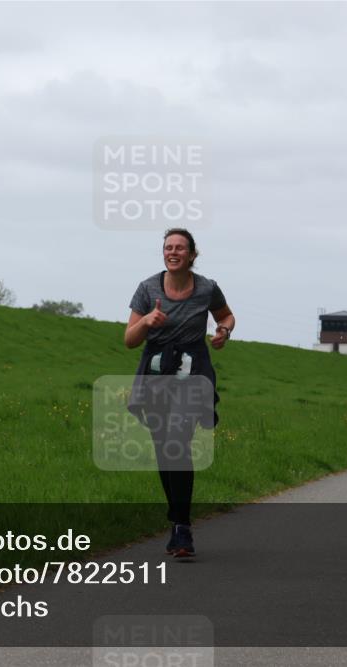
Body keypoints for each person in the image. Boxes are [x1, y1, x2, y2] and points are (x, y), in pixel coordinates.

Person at [125, 228, 234, 559]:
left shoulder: (206, 289)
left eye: (179, 248)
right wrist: (147, 321)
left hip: (193, 373)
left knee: (177, 440)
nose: (173, 252)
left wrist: (223, 332)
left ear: (191, 254)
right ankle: (177, 522)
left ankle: (182, 527)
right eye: (168, 247)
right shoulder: (146, 289)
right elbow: (129, 339)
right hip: (157, 372)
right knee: (164, 447)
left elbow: (226, 315)